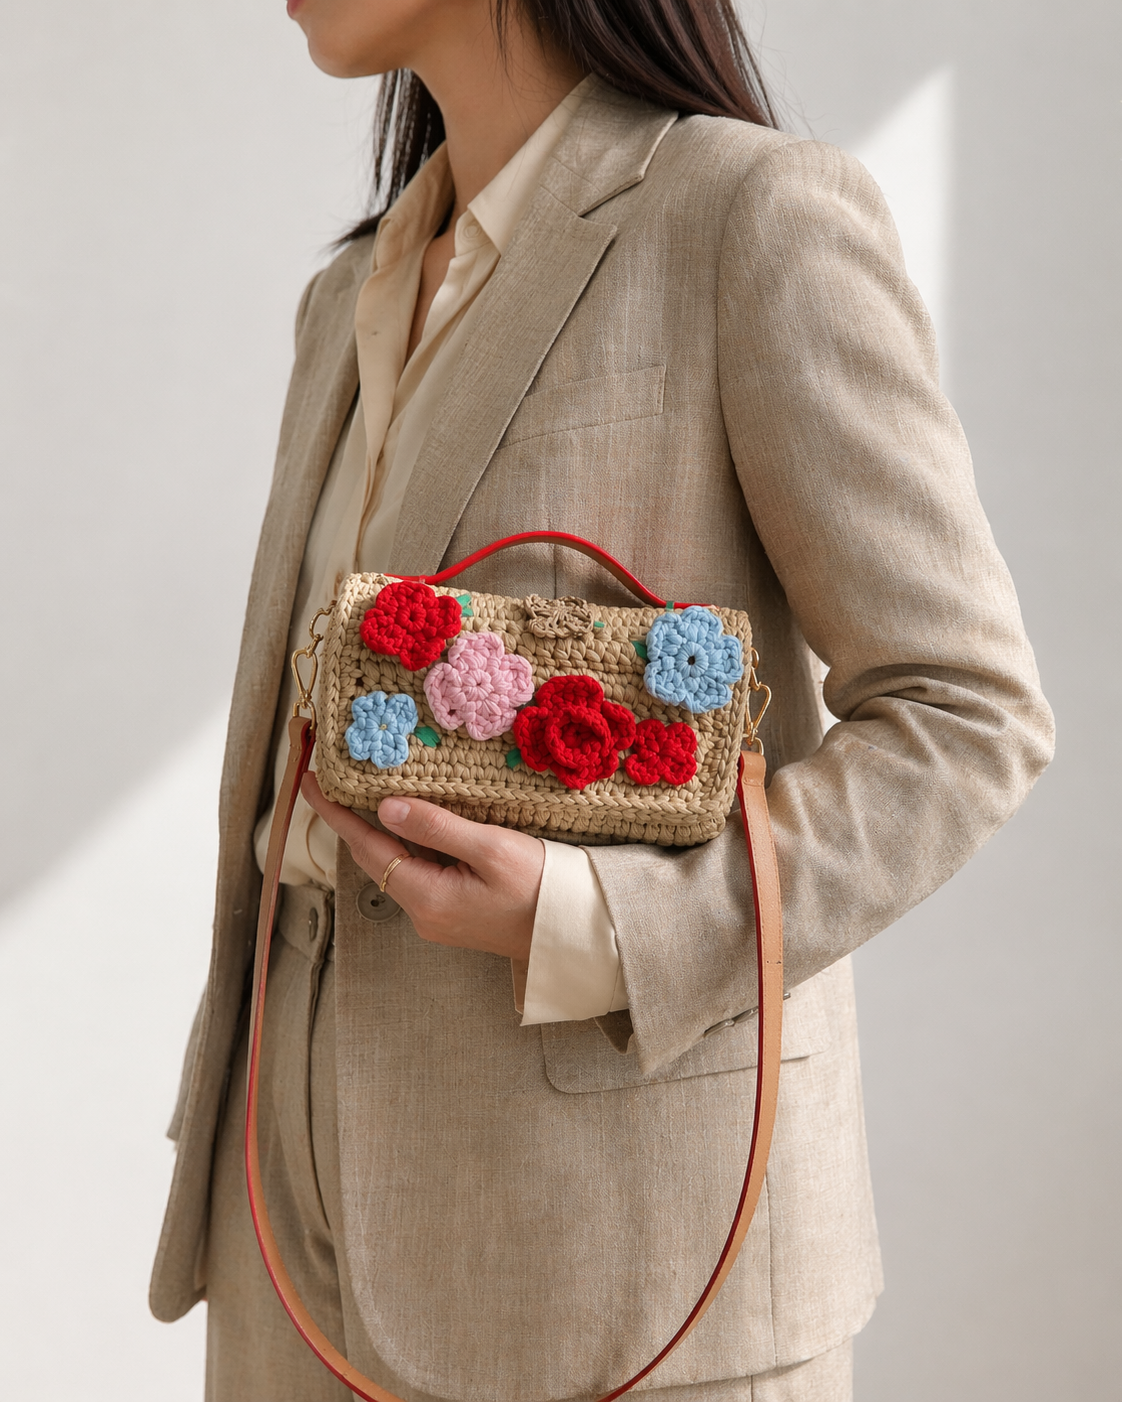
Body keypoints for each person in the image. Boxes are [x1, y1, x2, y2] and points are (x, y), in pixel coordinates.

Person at [150, 1, 1055, 1399]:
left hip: (630, 1255)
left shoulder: (749, 219)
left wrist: (602, 927)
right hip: (288, 1228)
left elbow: (966, 714)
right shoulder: (351, 294)